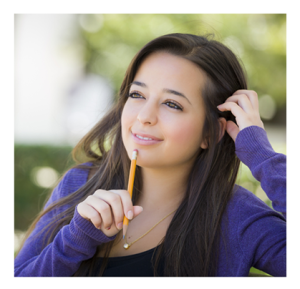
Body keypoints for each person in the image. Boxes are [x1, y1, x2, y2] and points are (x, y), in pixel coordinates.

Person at [14, 33, 286, 277]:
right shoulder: (79, 185)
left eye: (172, 104)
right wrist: (75, 239)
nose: (144, 116)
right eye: (137, 94)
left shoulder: (239, 218)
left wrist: (261, 155)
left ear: (211, 133)